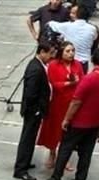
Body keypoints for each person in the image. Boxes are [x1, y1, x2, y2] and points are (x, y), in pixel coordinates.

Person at [38, 46, 99, 180]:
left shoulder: (89, 79)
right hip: (95, 123)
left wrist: (66, 119)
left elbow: (76, 102)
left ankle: (56, 179)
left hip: (78, 122)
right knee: (86, 153)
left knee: (65, 149)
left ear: (93, 59)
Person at [37, 42, 84, 170]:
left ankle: (64, 158)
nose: (71, 54)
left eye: (72, 51)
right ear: (61, 53)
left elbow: (82, 82)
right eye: (68, 51)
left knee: (68, 133)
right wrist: (70, 83)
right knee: (54, 130)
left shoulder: (78, 65)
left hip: (72, 104)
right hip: (58, 103)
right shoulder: (53, 66)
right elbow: (54, 84)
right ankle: (52, 154)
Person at [12, 41, 54, 180]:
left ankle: (25, 161)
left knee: (30, 138)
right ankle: (20, 169)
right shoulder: (36, 69)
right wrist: (36, 110)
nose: (51, 56)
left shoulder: (39, 65)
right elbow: (31, 93)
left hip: (34, 109)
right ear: (42, 52)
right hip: (33, 110)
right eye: (49, 53)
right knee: (27, 138)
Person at [46, 5, 98, 71]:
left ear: (77, 15)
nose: (70, 15)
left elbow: (51, 24)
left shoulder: (67, 26)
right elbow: (94, 38)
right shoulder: (93, 29)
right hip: (84, 63)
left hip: (70, 61)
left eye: (73, 13)